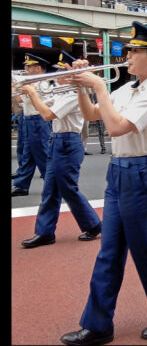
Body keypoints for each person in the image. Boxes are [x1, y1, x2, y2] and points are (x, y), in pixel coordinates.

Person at [60, 21, 147, 345]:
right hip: (118, 172)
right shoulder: (126, 89)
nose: (128, 55)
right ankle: (99, 325)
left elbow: (116, 128)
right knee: (109, 251)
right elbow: (90, 114)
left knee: (144, 251)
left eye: (135, 51)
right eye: (128, 50)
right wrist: (80, 85)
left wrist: (98, 86)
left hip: (141, 173)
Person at [19, 51, 102, 248]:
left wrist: (32, 92)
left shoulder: (73, 94)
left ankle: (93, 224)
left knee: (68, 188)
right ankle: (45, 232)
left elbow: (47, 115)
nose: (56, 75)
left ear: (73, 75)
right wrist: (29, 92)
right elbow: (41, 105)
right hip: (56, 141)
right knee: (50, 188)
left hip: (68, 142)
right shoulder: (61, 92)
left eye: (60, 71)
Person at [12, 54, 53, 197]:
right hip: (29, 119)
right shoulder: (29, 82)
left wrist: (25, 88)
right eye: (26, 66)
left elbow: (42, 103)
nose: (26, 68)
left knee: (42, 153)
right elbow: (20, 101)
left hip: (38, 120)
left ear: (38, 68)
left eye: (29, 66)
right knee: (27, 154)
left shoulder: (43, 84)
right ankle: (21, 185)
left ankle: (52, 183)